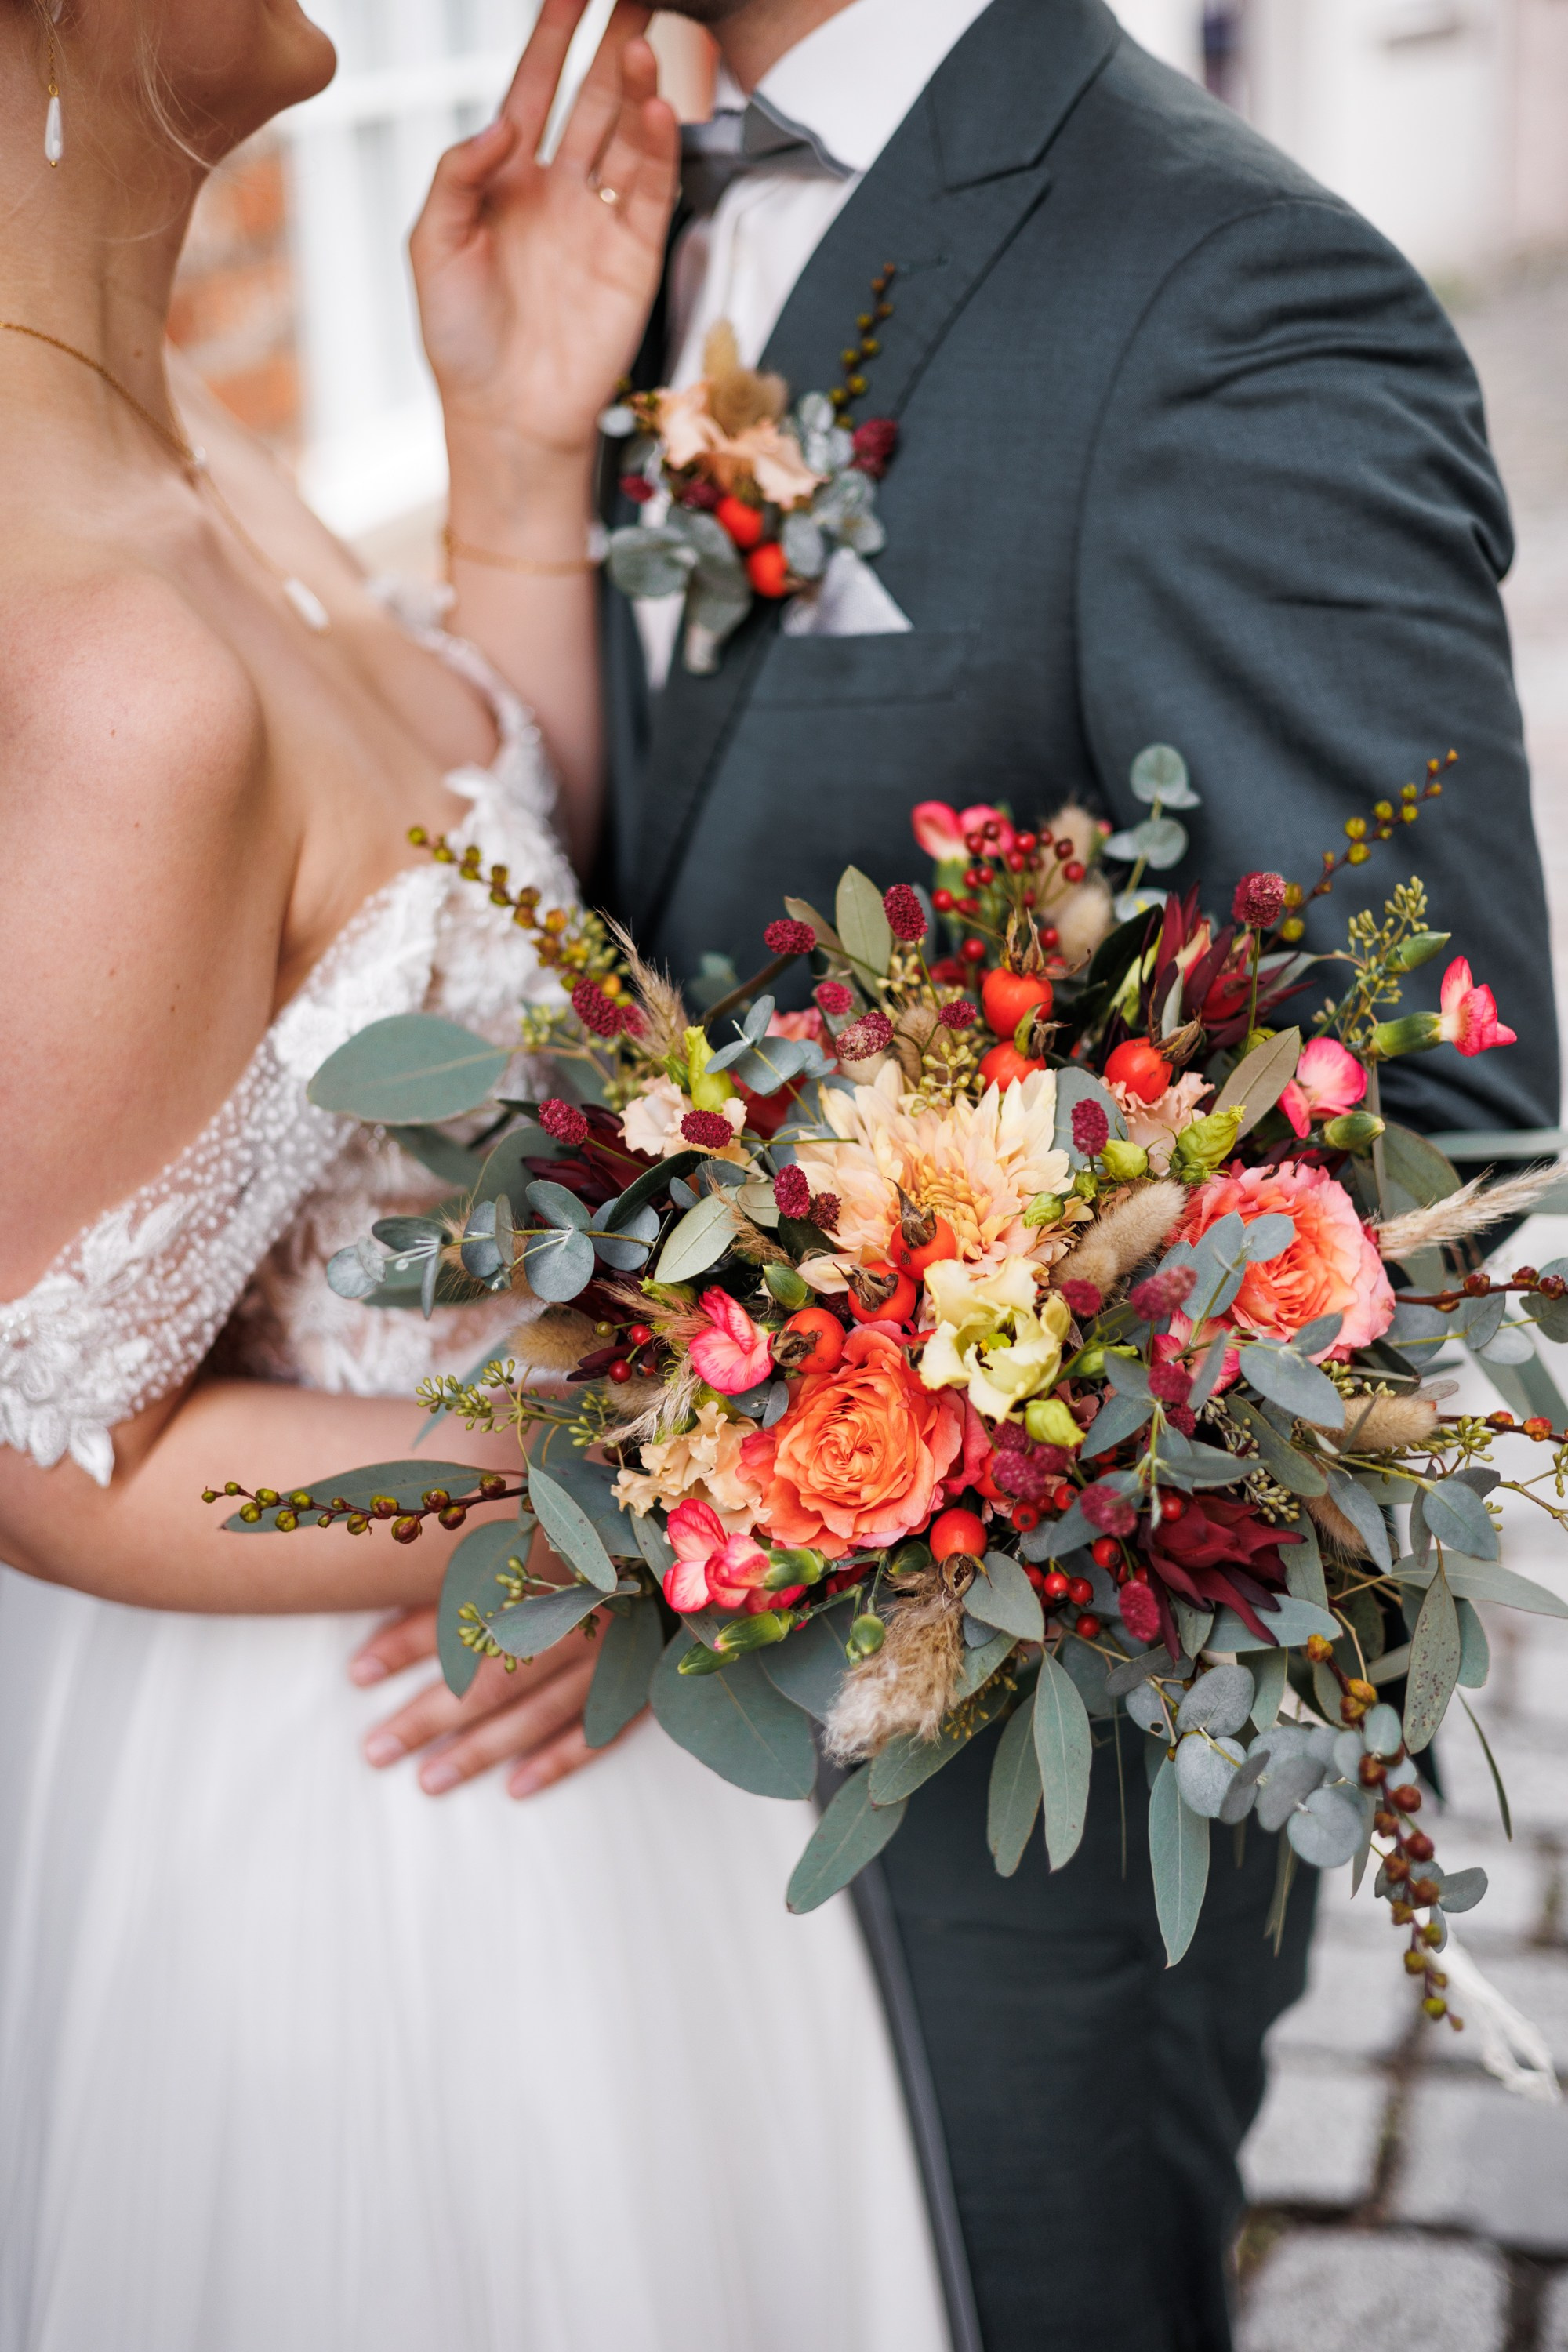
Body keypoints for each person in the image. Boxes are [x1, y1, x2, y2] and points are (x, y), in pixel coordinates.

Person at [594, 0, 1562, 2347]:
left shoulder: (1224, 290)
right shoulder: (636, 229)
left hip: (1027, 1795)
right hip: (652, 1773)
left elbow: (1416, 1127)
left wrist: (875, 1411)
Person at [0, 5, 952, 2348]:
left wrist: (517, 459)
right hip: (382, 1847)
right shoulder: (107, 647)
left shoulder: (173, 439)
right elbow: (54, 1447)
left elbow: (445, 986)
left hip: (560, 1730)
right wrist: (686, 1486)